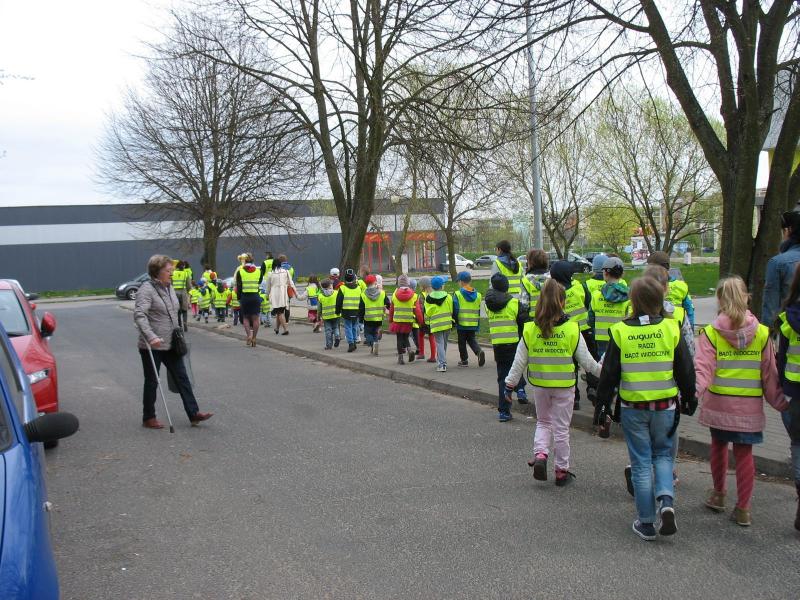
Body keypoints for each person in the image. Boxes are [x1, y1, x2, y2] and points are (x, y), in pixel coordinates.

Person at [596, 277, 696, 541]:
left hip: (633, 407)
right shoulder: (671, 328)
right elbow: (685, 368)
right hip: (666, 407)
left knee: (641, 463)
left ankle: (646, 522)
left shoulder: (620, 331)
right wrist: (689, 397)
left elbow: (609, 374)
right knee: (664, 456)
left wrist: (603, 404)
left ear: (633, 301)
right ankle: (666, 501)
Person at [695, 276, 787, 527]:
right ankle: (743, 508)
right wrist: (781, 403)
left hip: (719, 404)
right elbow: (769, 375)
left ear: (720, 299)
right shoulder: (762, 334)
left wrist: (689, 395)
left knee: (718, 447)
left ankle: (718, 494)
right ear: (746, 297)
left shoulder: (712, 333)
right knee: (745, 455)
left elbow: (703, 370)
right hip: (749, 408)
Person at [505, 278, 601, 486]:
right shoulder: (572, 329)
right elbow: (588, 363)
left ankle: (540, 455)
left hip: (540, 385)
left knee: (543, 422)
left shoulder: (530, 329)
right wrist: (608, 373)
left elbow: (519, 362)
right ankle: (561, 470)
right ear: (563, 303)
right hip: (564, 387)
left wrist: (509, 385)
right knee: (561, 428)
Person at [133, 255, 212, 429]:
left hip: (171, 343)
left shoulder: (169, 288)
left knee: (183, 378)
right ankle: (148, 417)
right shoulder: (147, 289)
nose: (172, 273)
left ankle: (193, 413)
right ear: (157, 272)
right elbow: (139, 315)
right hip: (152, 345)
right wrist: (151, 336)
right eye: (168, 271)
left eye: (172, 270)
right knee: (152, 380)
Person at [773, 263, 800, 531]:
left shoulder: (788, 318)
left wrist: (778, 389)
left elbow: (781, 360)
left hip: (795, 393)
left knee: (798, 446)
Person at [550, 260, 595, 410]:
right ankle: (593, 387)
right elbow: (589, 304)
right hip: (585, 330)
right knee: (589, 360)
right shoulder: (579, 288)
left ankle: (574, 397)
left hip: (567, 333)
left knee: (572, 365)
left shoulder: (554, 292)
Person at [485, 273, 528, 421]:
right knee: (518, 367)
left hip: (498, 344)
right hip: (514, 342)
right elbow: (523, 323)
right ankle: (521, 389)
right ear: (506, 287)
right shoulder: (514, 303)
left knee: (503, 377)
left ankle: (504, 411)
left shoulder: (488, 304)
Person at [764, 210, 800, 330]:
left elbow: (771, 307)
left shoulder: (778, 263)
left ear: (788, 230)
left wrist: (767, 336)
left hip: (790, 332)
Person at [588, 257, 630, 359]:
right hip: (621, 338)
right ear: (622, 274)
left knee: (604, 368)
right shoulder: (629, 296)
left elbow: (590, 320)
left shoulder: (596, 296)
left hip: (601, 340)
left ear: (605, 273)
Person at [646, 251, 696, 328]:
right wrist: (690, 328)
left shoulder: (645, 285)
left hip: (654, 328)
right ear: (668, 266)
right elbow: (690, 311)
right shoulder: (681, 285)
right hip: (677, 326)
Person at [453, 271, 485, 368]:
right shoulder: (478, 295)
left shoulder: (458, 294)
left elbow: (456, 308)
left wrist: (454, 320)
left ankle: (464, 360)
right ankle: (479, 351)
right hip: (473, 322)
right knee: (471, 339)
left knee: (461, 342)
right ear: (470, 281)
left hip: (462, 323)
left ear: (461, 282)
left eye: (458, 281)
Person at [425, 276, 454, 373]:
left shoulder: (428, 298)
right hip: (447, 323)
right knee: (444, 343)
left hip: (436, 324)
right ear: (441, 286)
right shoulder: (448, 296)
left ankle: (441, 363)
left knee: (439, 343)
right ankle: (442, 362)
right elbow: (451, 310)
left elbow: (428, 313)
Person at [389, 274, 421, 364]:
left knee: (399, 338)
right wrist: (420, 321)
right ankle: (410, 350)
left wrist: (390, 319)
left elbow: (392, 309)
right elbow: (417, 310)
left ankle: (401, 358)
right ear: (408, 283)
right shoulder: (414, 295)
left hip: (397, 321)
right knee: (406, 337)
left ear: (399, 283)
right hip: (408, 321)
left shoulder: (395, 295)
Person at [265, 254, 297, 335]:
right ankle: (276, 328)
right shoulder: (286, 271)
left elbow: (268, 287)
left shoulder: (270, 274)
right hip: (284, 294)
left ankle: (285, 329)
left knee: (279, 312)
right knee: (280, 311)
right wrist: (296, 292)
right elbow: (291, 282)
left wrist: (267, 296)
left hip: (275, 295)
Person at [236, 254, 264, 346]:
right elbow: (259, 282)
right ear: (253, 261)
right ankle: (255, 338)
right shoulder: (259, 271)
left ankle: (249, 335)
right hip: (255, 296)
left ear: (245, 262)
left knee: (246, 317)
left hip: (245, 297)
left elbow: (239, 286)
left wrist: (238, 297)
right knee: (256, 318)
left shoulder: (240, 272)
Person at [359, 274, 389, 355]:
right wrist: (388, 309)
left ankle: (372, 344)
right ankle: (374, 346)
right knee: (375, 333)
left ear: (366, 284)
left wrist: (360, 319)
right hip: (379, 318)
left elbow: (361, 308)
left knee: (367, 334)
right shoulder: (382, 293)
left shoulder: (363, 294)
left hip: (368, 319)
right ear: (375, 282)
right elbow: (388, 303)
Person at [336, 269, 362, 352]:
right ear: (354, 277)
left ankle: (351, 343)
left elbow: (339, 301)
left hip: (347, 311)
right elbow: (362, 300)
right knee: (355, 326)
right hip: (356, 311)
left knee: (348, 327)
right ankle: (354, 341)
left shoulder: (342, 288)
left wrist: (337, 311)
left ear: (345, 278)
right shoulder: (358, 288)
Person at [519, 249, 549, 317]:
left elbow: (524, 305)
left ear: (530, 262)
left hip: (533, 322)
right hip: (552, 321)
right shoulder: (553, 278)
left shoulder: (526, 280)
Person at [415, 276, 437, 362]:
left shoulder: (422, 296)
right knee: (432, 337)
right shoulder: (434, 294)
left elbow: (420, 309)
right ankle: (433, 356)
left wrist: (419, 320)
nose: (419, 287)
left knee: (420, 335)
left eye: (420, 285)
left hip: (424, 320)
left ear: (423, 286)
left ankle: (421, 353)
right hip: (433, 319)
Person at [318, 279, 342, 350]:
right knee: (336, 327)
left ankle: (329, 345)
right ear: (330, 286)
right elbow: (339, 302)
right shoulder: (336, 293)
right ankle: (337, 336)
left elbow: (319, 308)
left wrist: (319, 315)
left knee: (328, 330)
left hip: (326, 316)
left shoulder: (320, 296)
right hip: (336, 315)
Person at [171, 260, 191, 331]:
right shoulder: (185, 274)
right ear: (183, 266)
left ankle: (179, 325)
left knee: (178, 309)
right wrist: (189, 291)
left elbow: (171, 283)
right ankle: (185, 323)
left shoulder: (173, 273)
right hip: (183, 292)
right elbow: (188, 285)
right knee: (184, 309)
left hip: (175, 293)